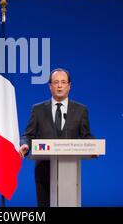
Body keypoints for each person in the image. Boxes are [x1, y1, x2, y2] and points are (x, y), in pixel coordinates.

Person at [19, 68, 94, 207]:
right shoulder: (38, 109)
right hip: (44, 171)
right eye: (56, 82)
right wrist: (25, 145)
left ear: (69, 86)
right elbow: (28, 135)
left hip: (70, 171)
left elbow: (86, 135)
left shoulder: (80, 110)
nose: (60, 86)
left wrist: (93, 146)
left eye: (63, 82)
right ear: (50, 86)